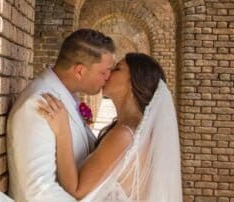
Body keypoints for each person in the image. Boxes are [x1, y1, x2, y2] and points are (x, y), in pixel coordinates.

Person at [38, 53, 183, 201]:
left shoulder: (124, 135)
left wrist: (63, 131)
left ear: (133, 83)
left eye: (117, 69)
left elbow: (76, 190)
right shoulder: (134, 130)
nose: (108, 74)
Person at [7, 29, 116, 202]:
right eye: (104, 72)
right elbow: (38, 191)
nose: (108, 78)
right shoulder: (39, 104)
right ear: (79, 71)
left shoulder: (67, 96)